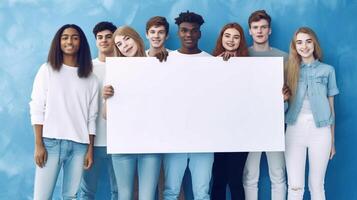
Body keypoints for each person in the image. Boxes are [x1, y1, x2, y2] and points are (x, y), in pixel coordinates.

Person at [29, 24, 98, 200]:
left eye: (75, 37)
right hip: (51, 143)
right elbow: (37, 107)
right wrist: (39, 144)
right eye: (65, 37)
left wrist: (90, 148)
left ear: (81, 42)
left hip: (79, 146)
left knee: (71, 197)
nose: (70, 41)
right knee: (42, 197)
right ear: (58, 42)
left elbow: (92, 117)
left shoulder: (91, 78)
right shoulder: (47, 70)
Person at [103, 26, 161, 200]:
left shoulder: (157, 63)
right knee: (125, 195)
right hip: (123, 142)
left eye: (127, 39)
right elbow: (106, 115)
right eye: (119, 44)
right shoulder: (115, 71)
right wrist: (107, 98)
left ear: (136, 38)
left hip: (151, 142)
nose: (125, 46)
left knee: (147, 197)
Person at [163, 11, 213, 200]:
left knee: (202, 193)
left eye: (194, 31)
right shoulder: (166, 59)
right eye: (184, 30)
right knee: (170, 191)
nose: (189, 35)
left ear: (200, 33)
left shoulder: (211, 62)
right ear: (178, 33)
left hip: (204, 139)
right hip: (174, 138)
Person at [285, 27, 338, 200]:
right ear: (295, 46)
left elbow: (331, 108)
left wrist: (332, 141)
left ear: (314, 43)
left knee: (317, 186)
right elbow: (282, 103)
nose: (304, 46)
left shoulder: (328, 70)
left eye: (308, 41)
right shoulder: (289, 70)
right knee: (295, 187)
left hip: (321, 132)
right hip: (294, 129)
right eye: (299, 42)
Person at [243, 10, 288, 200]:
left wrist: (285, 99)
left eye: (263, 27)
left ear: (269, 31)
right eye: (255, 28)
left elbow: (291, 90)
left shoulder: (284, 57)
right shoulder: (242, 56)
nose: (259, 31)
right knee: (249, 174)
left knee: (278, 173)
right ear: (250, 31)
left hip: (275, 124)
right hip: (249, 125)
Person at [79, 21, 118, 200]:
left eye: (108, 37)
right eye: (99, 37)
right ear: (95, 41)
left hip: (119, 142)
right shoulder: (87, 68)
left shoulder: (125, 67)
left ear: (115, 39)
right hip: (91, 142)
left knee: (119, 192)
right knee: (87, 192)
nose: (104, 41)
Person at [210, 22, 249, 200]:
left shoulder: (250, 67)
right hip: (217, 130)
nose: (231, 40)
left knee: (235, 180)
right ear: (221, 38)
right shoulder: (211, 63)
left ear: (241, 41)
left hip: (241, 131)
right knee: (218, 179)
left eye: (236, 37)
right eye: (227, 36)